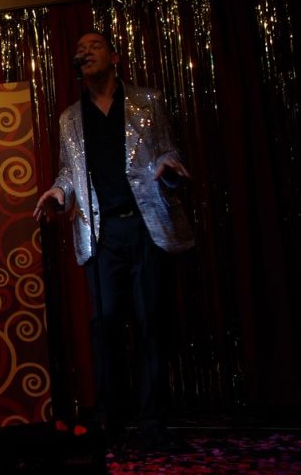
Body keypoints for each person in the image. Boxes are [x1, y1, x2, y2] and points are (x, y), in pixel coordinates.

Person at [33, 30, 194, 451]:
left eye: (94, 46)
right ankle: (109, 415)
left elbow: (167, 151)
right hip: (101, 231)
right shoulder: (70, 117)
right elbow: (68, 171)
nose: (84, 52)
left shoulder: (147, 101)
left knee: (149, 319)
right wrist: (58, 191)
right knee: (103, 322)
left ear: (115, 57)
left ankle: (151, 417)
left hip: (145, 225)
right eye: (79, 49)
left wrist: (169, 167)